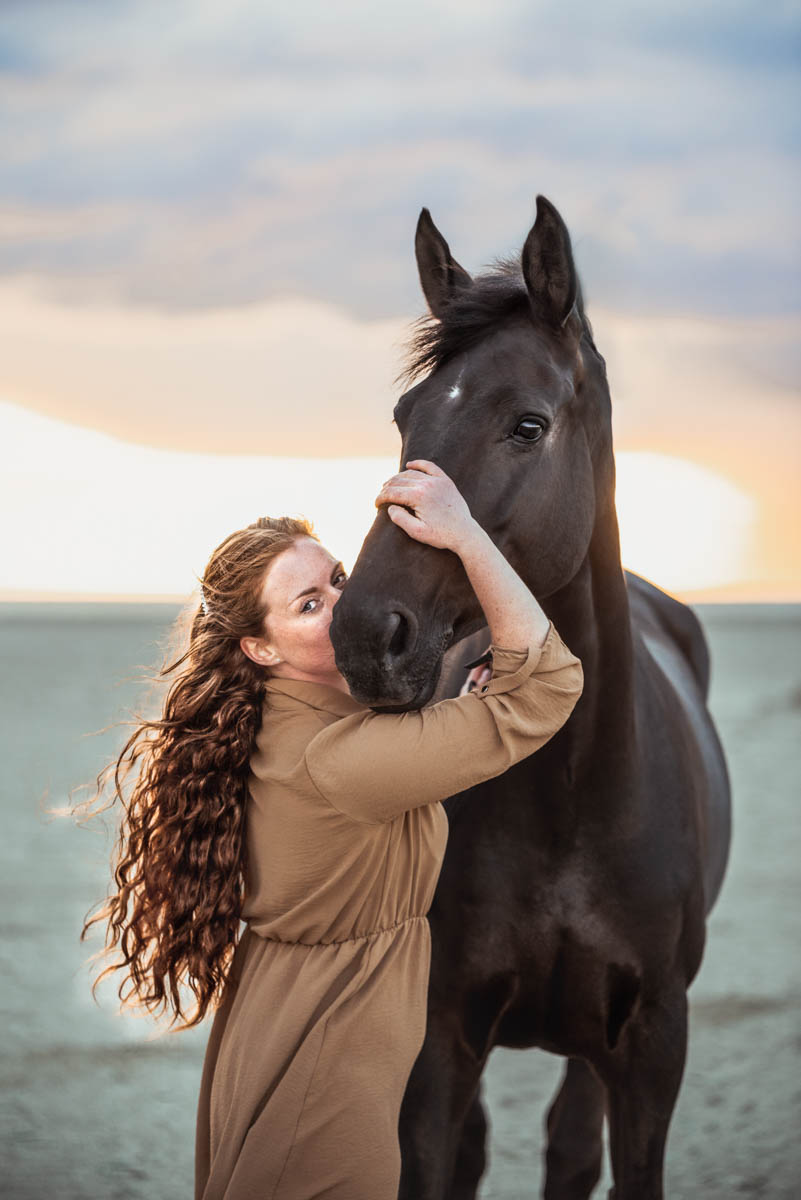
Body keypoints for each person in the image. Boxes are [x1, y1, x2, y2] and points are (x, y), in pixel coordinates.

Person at [84, 460, 583, 1200]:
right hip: (326, 1053)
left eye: (341, 581)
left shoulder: (289, 721)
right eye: (309, 606)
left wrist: (455, 707)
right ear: (261, 648)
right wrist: (469, 538)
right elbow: (547, 685)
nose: (344, 609)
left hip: (285, 1019)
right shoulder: (340, 760)